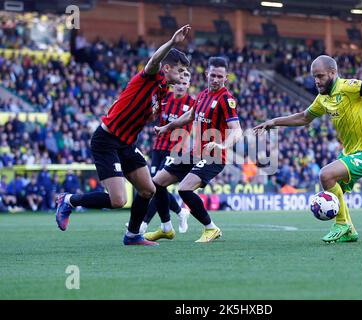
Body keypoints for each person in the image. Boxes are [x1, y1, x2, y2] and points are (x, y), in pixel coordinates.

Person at [55, 25, 192, 246]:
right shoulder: (150, 76)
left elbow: (144, 115)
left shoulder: (163, 91)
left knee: (148, 189)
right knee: (118, 200)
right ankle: (68, 200)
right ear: (166, 68)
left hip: (127, 143)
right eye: (180, 70)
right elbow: (154, 60)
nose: (183, 74)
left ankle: (132, 235)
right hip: (106, 140)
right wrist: (173, 41)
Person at [254, 55, 362, 243]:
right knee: (333, 186)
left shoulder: (348, 86)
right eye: (314, 77)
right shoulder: (322, 99)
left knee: (326, 175)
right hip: (350, 152)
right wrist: (274, 122)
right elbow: (303, 117)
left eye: (320, 76)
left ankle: (341, 224)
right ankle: (349, 231)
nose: (316, 81)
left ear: (333, 73)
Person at [145, 56, 243, 243]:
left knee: (184, 189)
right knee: (156, 183)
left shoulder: (226, 99)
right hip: (195, 153)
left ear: (226, 78)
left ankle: (211, 228)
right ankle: (166, 228)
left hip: (214, 156)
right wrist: (166, 128)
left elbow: (236, 130)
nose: (215, 79)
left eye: (220, 77)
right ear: (206, 74)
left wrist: (223, 145)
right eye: (212, 75)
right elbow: (189, 116)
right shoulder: (203, 95)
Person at [128, 71, 194, 234]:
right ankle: (180, 212)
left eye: (185, 83)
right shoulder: (165, 99)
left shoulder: (193, 103)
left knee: (157, 184)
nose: (181, 86)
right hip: (158, 147)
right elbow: (152, 116)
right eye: (179, 82)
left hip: (176, 150)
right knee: (154, 185)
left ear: (188, 85)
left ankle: (144, 223)